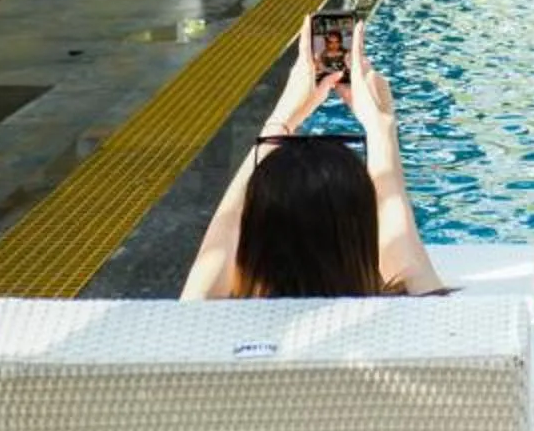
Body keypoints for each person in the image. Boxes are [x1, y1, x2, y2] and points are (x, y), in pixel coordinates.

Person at [182, 33, 448, 299]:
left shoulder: (203, 316)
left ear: (249, 244)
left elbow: (226, 229)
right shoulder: (419, 315)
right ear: (365, 238)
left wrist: (281, 120)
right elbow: (405, 257)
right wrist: (381, 128)